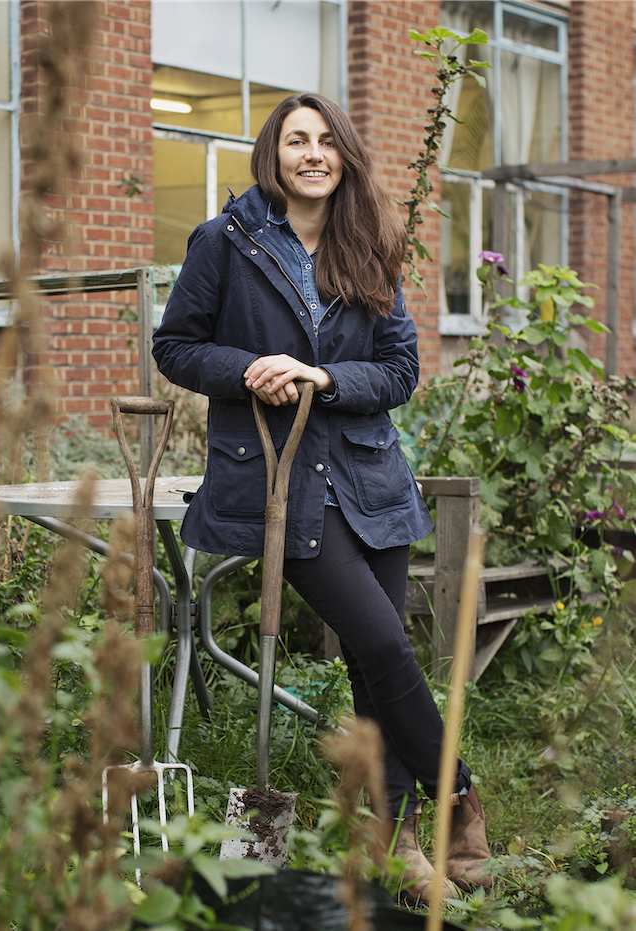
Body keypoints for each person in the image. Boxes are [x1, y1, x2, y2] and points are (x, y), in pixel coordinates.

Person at [152, 92, 491, 902]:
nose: (312, 153)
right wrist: (246, 368)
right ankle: (460, 800)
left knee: (378, 674)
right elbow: (175, 346)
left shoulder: (367, 243)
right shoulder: (224, 241)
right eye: (296, 140)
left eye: (325, 141)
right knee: (381, 644)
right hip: (276, 479)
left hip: (369, 479)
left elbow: (401, 372)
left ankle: (397, 837)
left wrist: (324, 377)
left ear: (343, 156)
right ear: (273, 154)